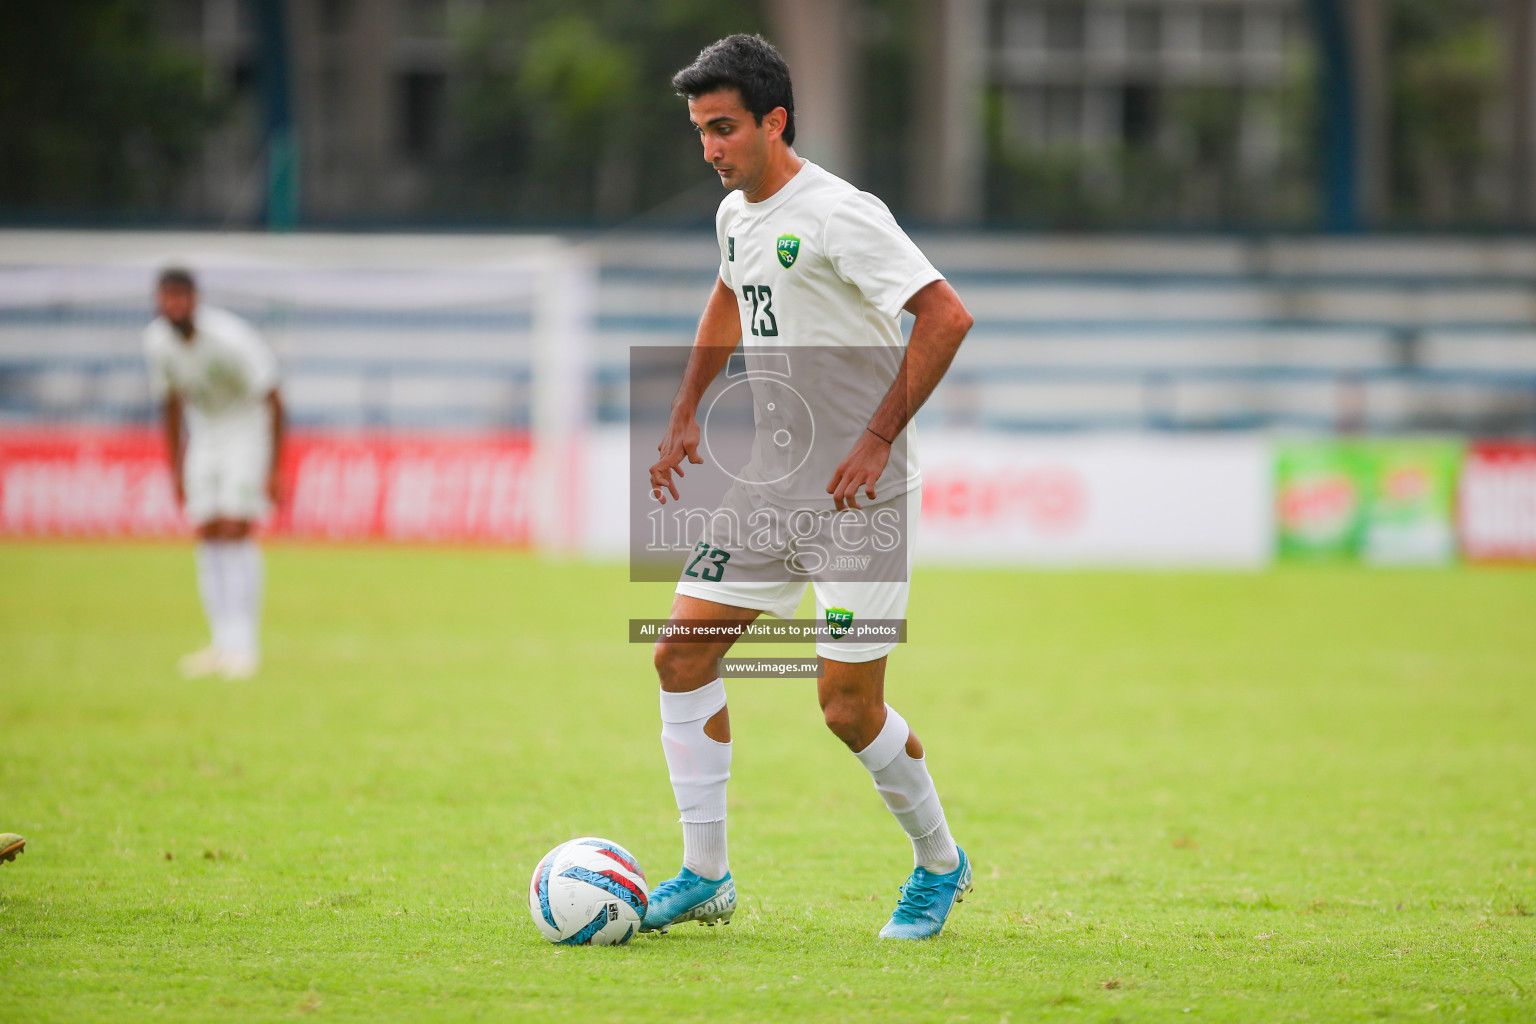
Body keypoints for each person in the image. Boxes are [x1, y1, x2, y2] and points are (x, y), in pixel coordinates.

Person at [644, 34, 976, 940]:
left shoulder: (840, 213)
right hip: (771, 482)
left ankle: (940, 864)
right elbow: (727, 293)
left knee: (845, 707)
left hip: (858, 500)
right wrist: (685, 410)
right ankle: (705, 875)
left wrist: (875, 441)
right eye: (700, 132)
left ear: (774, 121)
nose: (709, 149)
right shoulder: (735, 216)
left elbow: (946, 316)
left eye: (724, 129)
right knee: (679, 653)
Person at [144, 267, 284, 680]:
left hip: (245, 429)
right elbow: (170, 404)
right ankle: (221, 642)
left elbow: (274, 397)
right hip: (204, 433)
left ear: (195, 299)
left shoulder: (230, 339)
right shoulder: (156, 343)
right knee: (206, 529)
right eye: (167, 297)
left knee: (235, 527)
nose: (174, 305)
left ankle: (244, 645)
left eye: (181, 296)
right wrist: (174, 467)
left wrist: (274, 467)